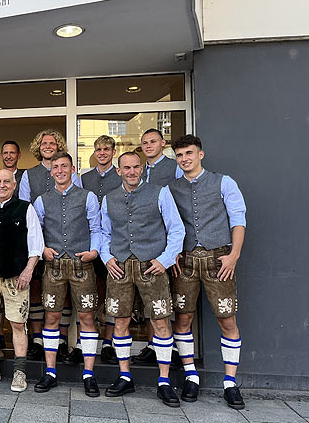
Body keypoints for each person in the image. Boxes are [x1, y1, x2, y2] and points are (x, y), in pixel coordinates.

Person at [100, 151, 185, 407]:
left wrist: (165, 259)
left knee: (160, 321)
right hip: (120, 266)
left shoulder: (160, 193)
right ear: (119, 170)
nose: (132, 171)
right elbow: (104, 232)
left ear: (142, 169)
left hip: (152, 266)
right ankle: (125, 376)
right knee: (121, 320)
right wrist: (107, 258)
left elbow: (176, 228)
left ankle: (164, 382)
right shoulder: (108, 198)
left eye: (136, 167)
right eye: (126, 168)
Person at [169, 135, 247, 409]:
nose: (184, 158)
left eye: (189, 153)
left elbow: (238, 218)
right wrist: (173, 251)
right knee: (183, 317)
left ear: (201, 154)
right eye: (179, 155)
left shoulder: (223, 182)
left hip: (219, 258)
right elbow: (169, 224)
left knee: (227, 319)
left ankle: (229, 383)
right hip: (186, 260)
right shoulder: (172, 188)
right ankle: (191, 375)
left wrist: (234, 255)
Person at [32, 152, 101, 396]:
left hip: (83, 265)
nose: (60, 170)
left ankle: (89, 374)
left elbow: (97, 227)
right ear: (51, 171)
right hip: (53, 267)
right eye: (55, 167)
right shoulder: (41, 200)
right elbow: (36, 230)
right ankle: (50, 372)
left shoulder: (88, 197)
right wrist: (42, 249)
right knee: (51, 318)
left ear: (73, 169)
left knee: (87, 318)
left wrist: (94, 251)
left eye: (64, 166)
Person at [0, 169, 43, 392]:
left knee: (18, 324)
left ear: (14, 185)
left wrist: (28, 271)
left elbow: (36, 245)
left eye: (6, 182)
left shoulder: (25, 208)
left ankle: (20, 373)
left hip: (17, 277)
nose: (2, 185)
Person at [19, 129, 80, 360]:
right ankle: (37, 339)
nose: (47, 146)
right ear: (38, 146)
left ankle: (62, 340)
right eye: (43, 143)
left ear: (59, 146)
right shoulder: (28, 175)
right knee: (36, 291)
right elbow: (25, 209)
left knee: (62, 294)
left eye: (52, 143)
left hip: (64, 243)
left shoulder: (69, 171)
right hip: (37, 242)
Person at [133, 128, 184, 366]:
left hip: (167, 244)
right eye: (145, 143)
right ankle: (153, 345)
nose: (149, 145)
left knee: (165, 300)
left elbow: (181, 203)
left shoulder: (173, 167)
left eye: (153, 141)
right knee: (149, 301)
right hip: (145, 242)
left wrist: (175, 250)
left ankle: (169, 347)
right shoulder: (141, 170)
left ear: (163, 143)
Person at [80, 135, 122, 365]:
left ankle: (108, 342)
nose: (102, 152)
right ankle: (83, 343)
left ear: (113, 152)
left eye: (106, 149)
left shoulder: (121, 175)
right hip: (87, 244)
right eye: (98, 149)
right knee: (88, 296)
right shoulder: (84, 178)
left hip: (114, 244)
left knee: (111, 295)